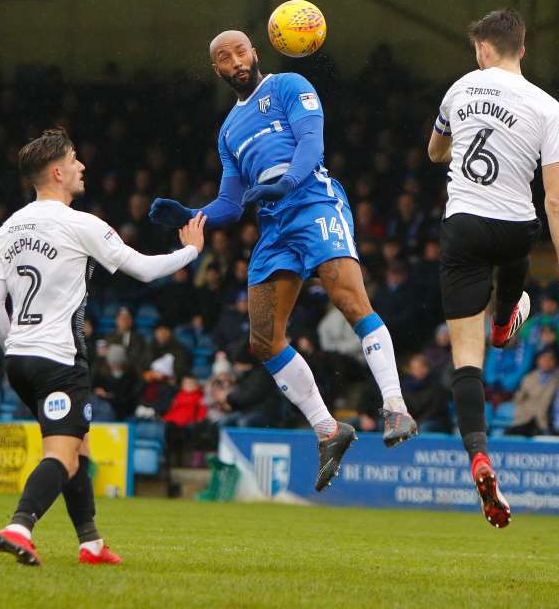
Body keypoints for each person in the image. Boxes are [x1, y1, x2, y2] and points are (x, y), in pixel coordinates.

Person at [148, 30, 417, 491]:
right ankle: (329, 429)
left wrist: (286, 183)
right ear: (216, 70)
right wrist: (192, 214)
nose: (234, 61)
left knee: (349, 297)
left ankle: (395, 406)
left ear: (254, 53)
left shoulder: (290, 85)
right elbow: (231, 204)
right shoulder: (228, 131)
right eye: (222, 57)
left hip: (313, 200)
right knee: (262, 340)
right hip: (274, 223)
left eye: (239, 51)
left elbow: (312, 145)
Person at [0, 127, 207, 566]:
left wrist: (14, 346)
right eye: (74, 159)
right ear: (57, 171)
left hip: (19, 358)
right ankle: (19, 526)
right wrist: (191, 251)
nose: (82, 165)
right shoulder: (80, 224)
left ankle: (91, 543)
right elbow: (142, 269)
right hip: (58, 361)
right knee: (63, 457)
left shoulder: (6, 229)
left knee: (78, 448)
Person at [426, 8, 559, 527]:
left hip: (465, 226)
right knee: (516, 269)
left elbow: (435, 153)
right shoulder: (550, 108)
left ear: (484, 49)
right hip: (517, 229)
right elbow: (557, 198)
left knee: (464, 363)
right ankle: (504, 324)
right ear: (522, 49)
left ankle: (478, 455)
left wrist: (459, 133)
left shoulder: (460, 88)